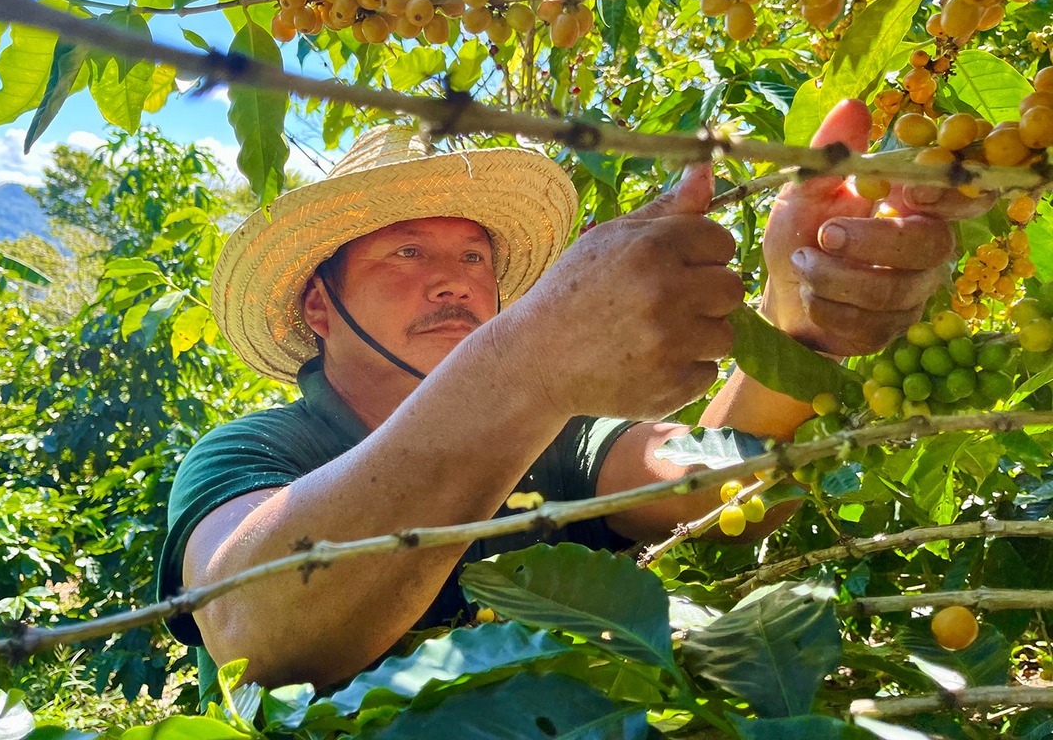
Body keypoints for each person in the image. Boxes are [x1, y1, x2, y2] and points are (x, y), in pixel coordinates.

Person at [156, 100, 969, 696]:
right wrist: (530, 362)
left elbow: (712, 479)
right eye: (405, 251)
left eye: (475, 257)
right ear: (319, 308)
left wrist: (795, 331)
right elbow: (253, 629)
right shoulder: (253, 456)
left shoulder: (553, 440)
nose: (453, 279)